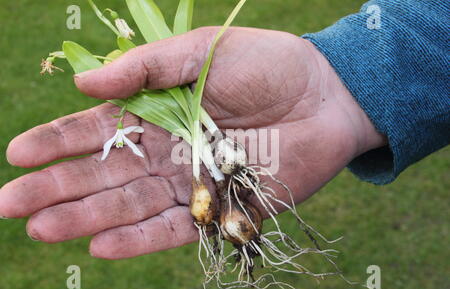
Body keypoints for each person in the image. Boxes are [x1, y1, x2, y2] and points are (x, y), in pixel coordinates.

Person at [0, 0, 448, 260]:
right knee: (220, 187)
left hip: (213, 154)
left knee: (223, 181)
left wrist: (332, 80)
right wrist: (341, 84)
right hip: (210, 153)